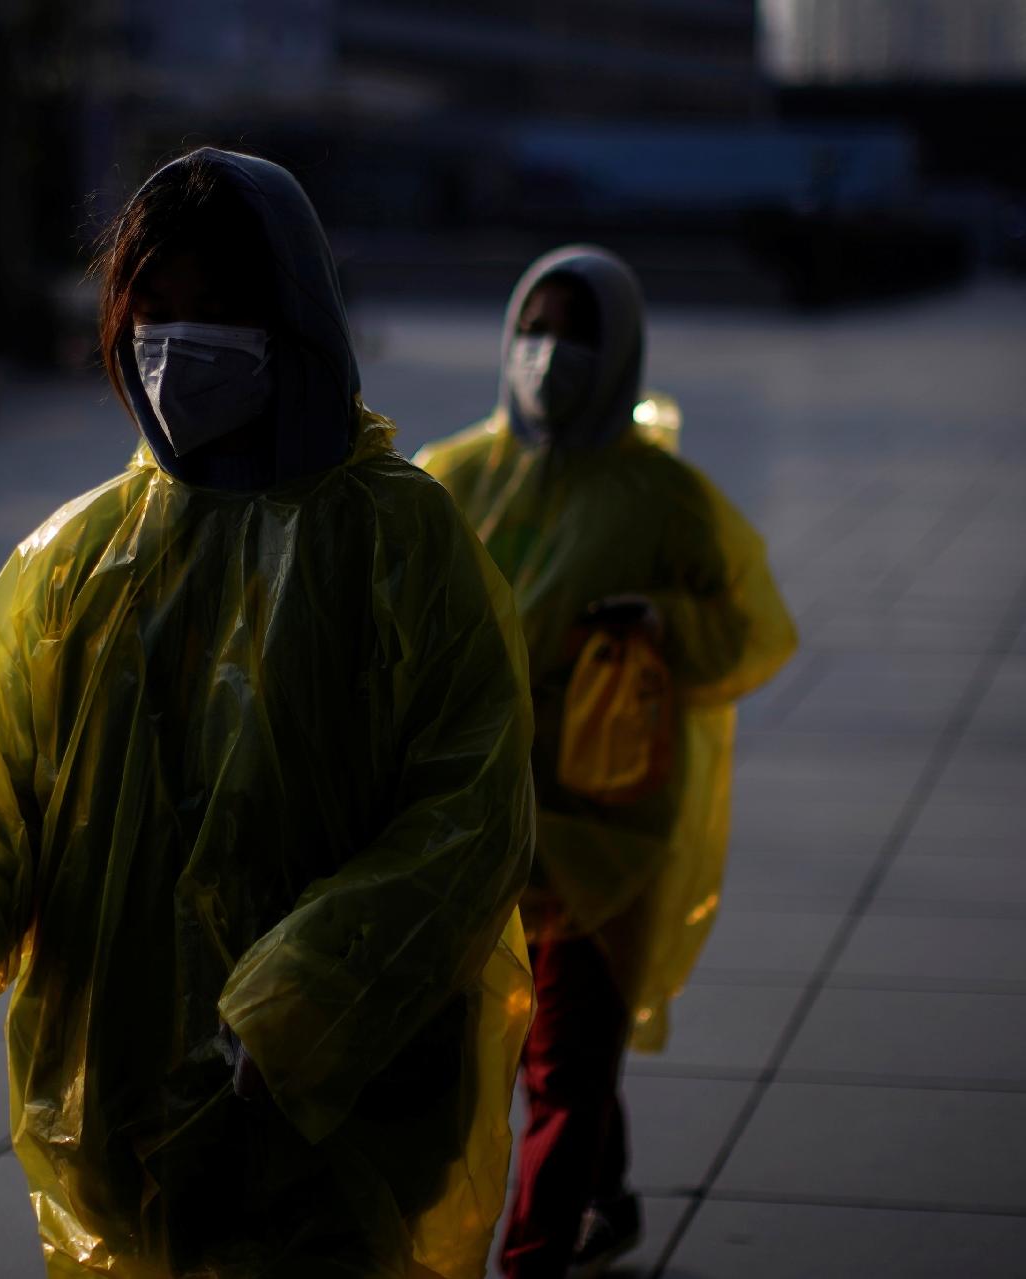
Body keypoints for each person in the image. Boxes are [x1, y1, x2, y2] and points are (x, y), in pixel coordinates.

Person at [0, 148, 537, 1279]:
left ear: (294, 313)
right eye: (152, 311)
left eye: (217, 310)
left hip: (328, 1113)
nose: (176, 347)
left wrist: (303, 1002)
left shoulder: (398, 541)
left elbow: (470, 816)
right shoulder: (77, 557)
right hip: (110, 1112)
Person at [414, 247, 797, 1279]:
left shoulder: (666, 499)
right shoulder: (450, 481)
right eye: (534, 328)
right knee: (508, 1044)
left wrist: (665, 627)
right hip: (470, 817)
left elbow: (751, 629)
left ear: (619, 346)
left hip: (601, 822)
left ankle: (534, 1256)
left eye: (576, 333)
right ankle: (606, 1189)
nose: (550, 355)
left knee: (569, 1052)